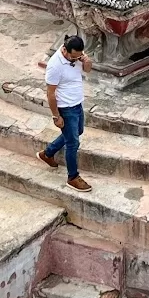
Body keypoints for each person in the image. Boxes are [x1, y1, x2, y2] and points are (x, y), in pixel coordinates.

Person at [36, 35, 92, 192]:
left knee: (78, 131)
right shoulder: (55, 65)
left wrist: (86, 61)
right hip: (65, 107)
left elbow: (87, 70)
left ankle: (48, 153)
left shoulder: (77, 57)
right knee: (73, 143)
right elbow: (50, 93)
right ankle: (72, 177)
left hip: (77, 103)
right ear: (65, 50)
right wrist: (56, 116)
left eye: (78, 56)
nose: (75, 60)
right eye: (73, 57)